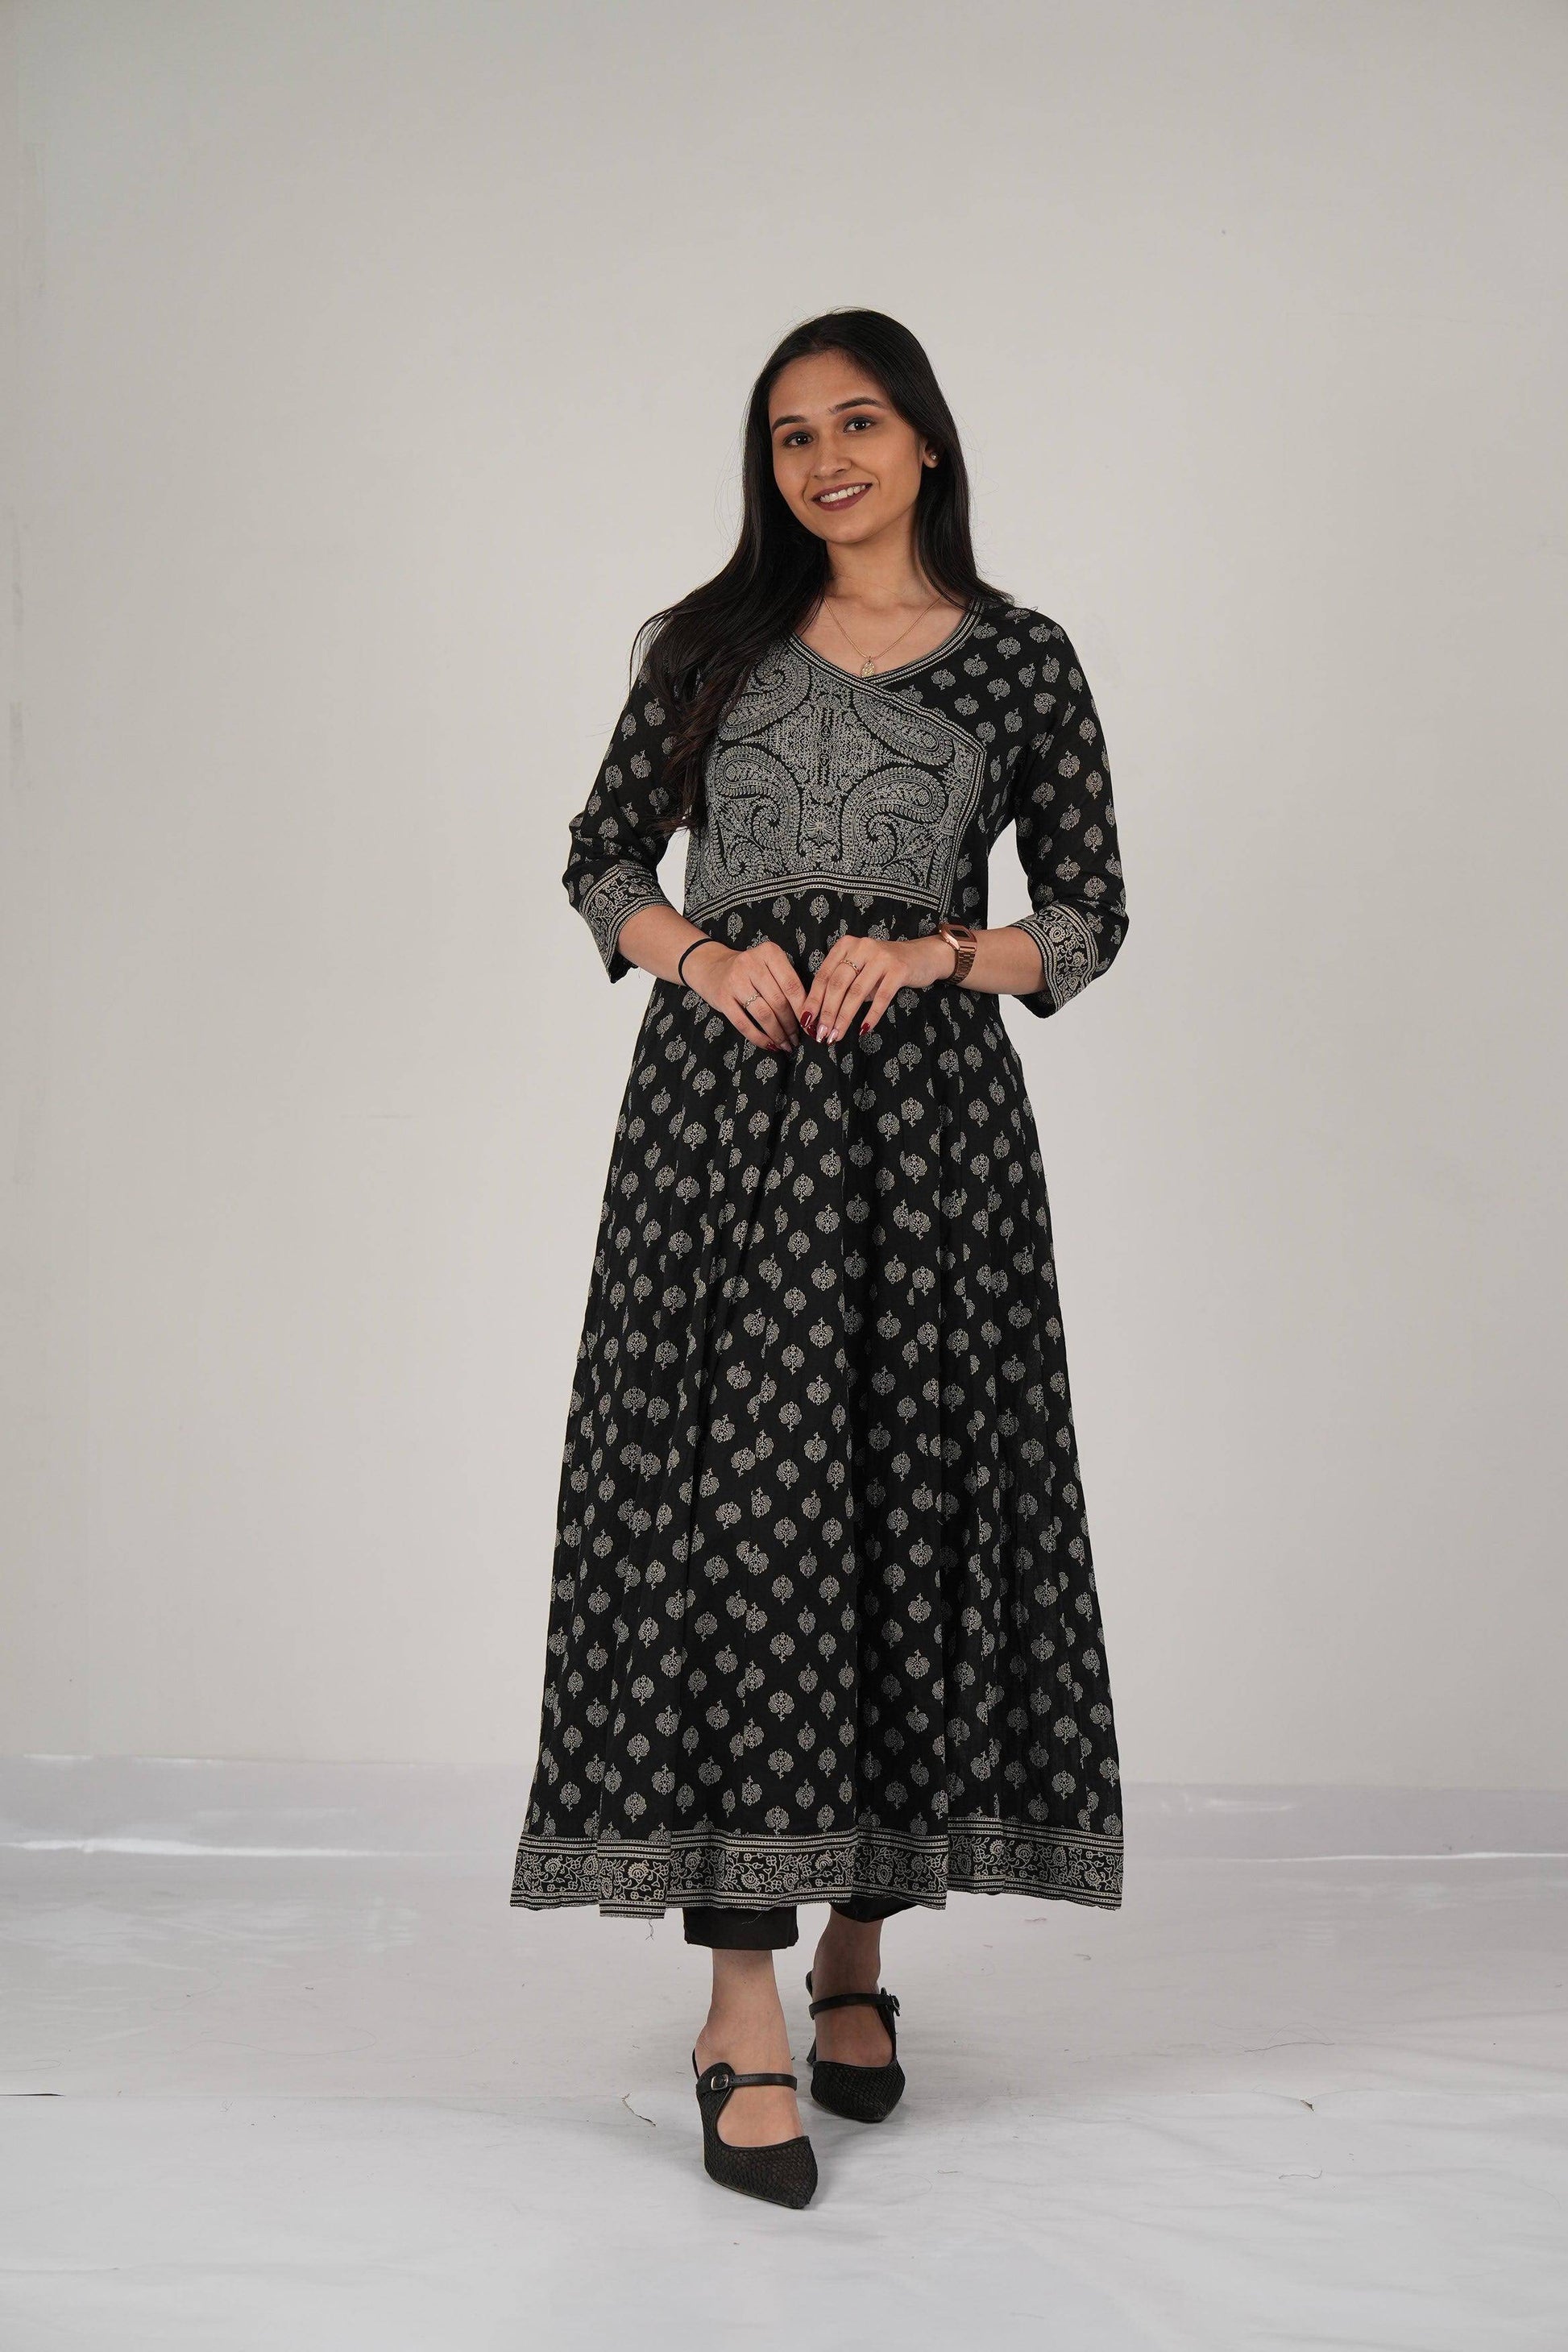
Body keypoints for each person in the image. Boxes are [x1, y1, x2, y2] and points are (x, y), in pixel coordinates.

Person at [511, 307, 1130, 2209]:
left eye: (858, 422)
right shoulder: (704, 651)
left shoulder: (1020, 658)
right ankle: (740, 2010)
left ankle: (857, 1952)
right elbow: (601, 860)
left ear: (925, 440)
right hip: (721, 1135)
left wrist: (939, 950)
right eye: (790, 435)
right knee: (738, 1528)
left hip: (929, 1144)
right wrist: (702, 954)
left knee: (897, 1509)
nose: (826, 459)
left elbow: (1089, 915)